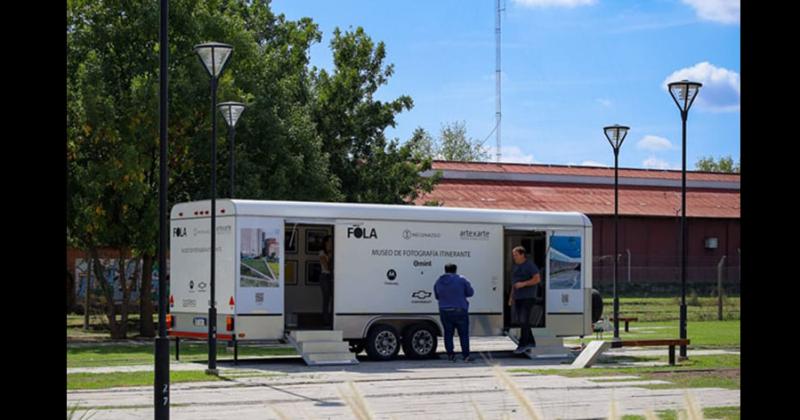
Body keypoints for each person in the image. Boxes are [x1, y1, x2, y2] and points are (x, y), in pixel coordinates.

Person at [434, 263, 475, 362]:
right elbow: (470, 292)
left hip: (445, 311)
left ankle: (451, 355)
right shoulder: (461, 280)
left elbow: (437, 296)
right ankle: (466, 356)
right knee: (463, 334)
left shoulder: (438, 281)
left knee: (448, 334)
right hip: (460, 310)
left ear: (445, 270)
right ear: (455, 270)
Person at [508, 246, 542, 354]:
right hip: (518, 297)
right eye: (513, 255)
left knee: (524, 320)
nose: (514, 257)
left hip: (528, 297)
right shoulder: (515, 266)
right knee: (522, 321)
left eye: (516, 255)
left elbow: (537, 279)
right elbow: (514, 283)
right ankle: (531, 341)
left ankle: (523, 344)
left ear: (522, 254)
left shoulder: (529, 265)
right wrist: (511, 297)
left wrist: (523, 284)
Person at [319, 235, 333, 326]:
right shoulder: (321, 252)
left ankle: (332, 318)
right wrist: (330, 257)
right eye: (330, 241)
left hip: (332, 277)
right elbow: (326, 266)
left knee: (334, 299)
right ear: (326, 242)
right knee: (326, 299)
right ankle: (325, 320)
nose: (331, 243)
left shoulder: (333, 251)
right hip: (325, 276)